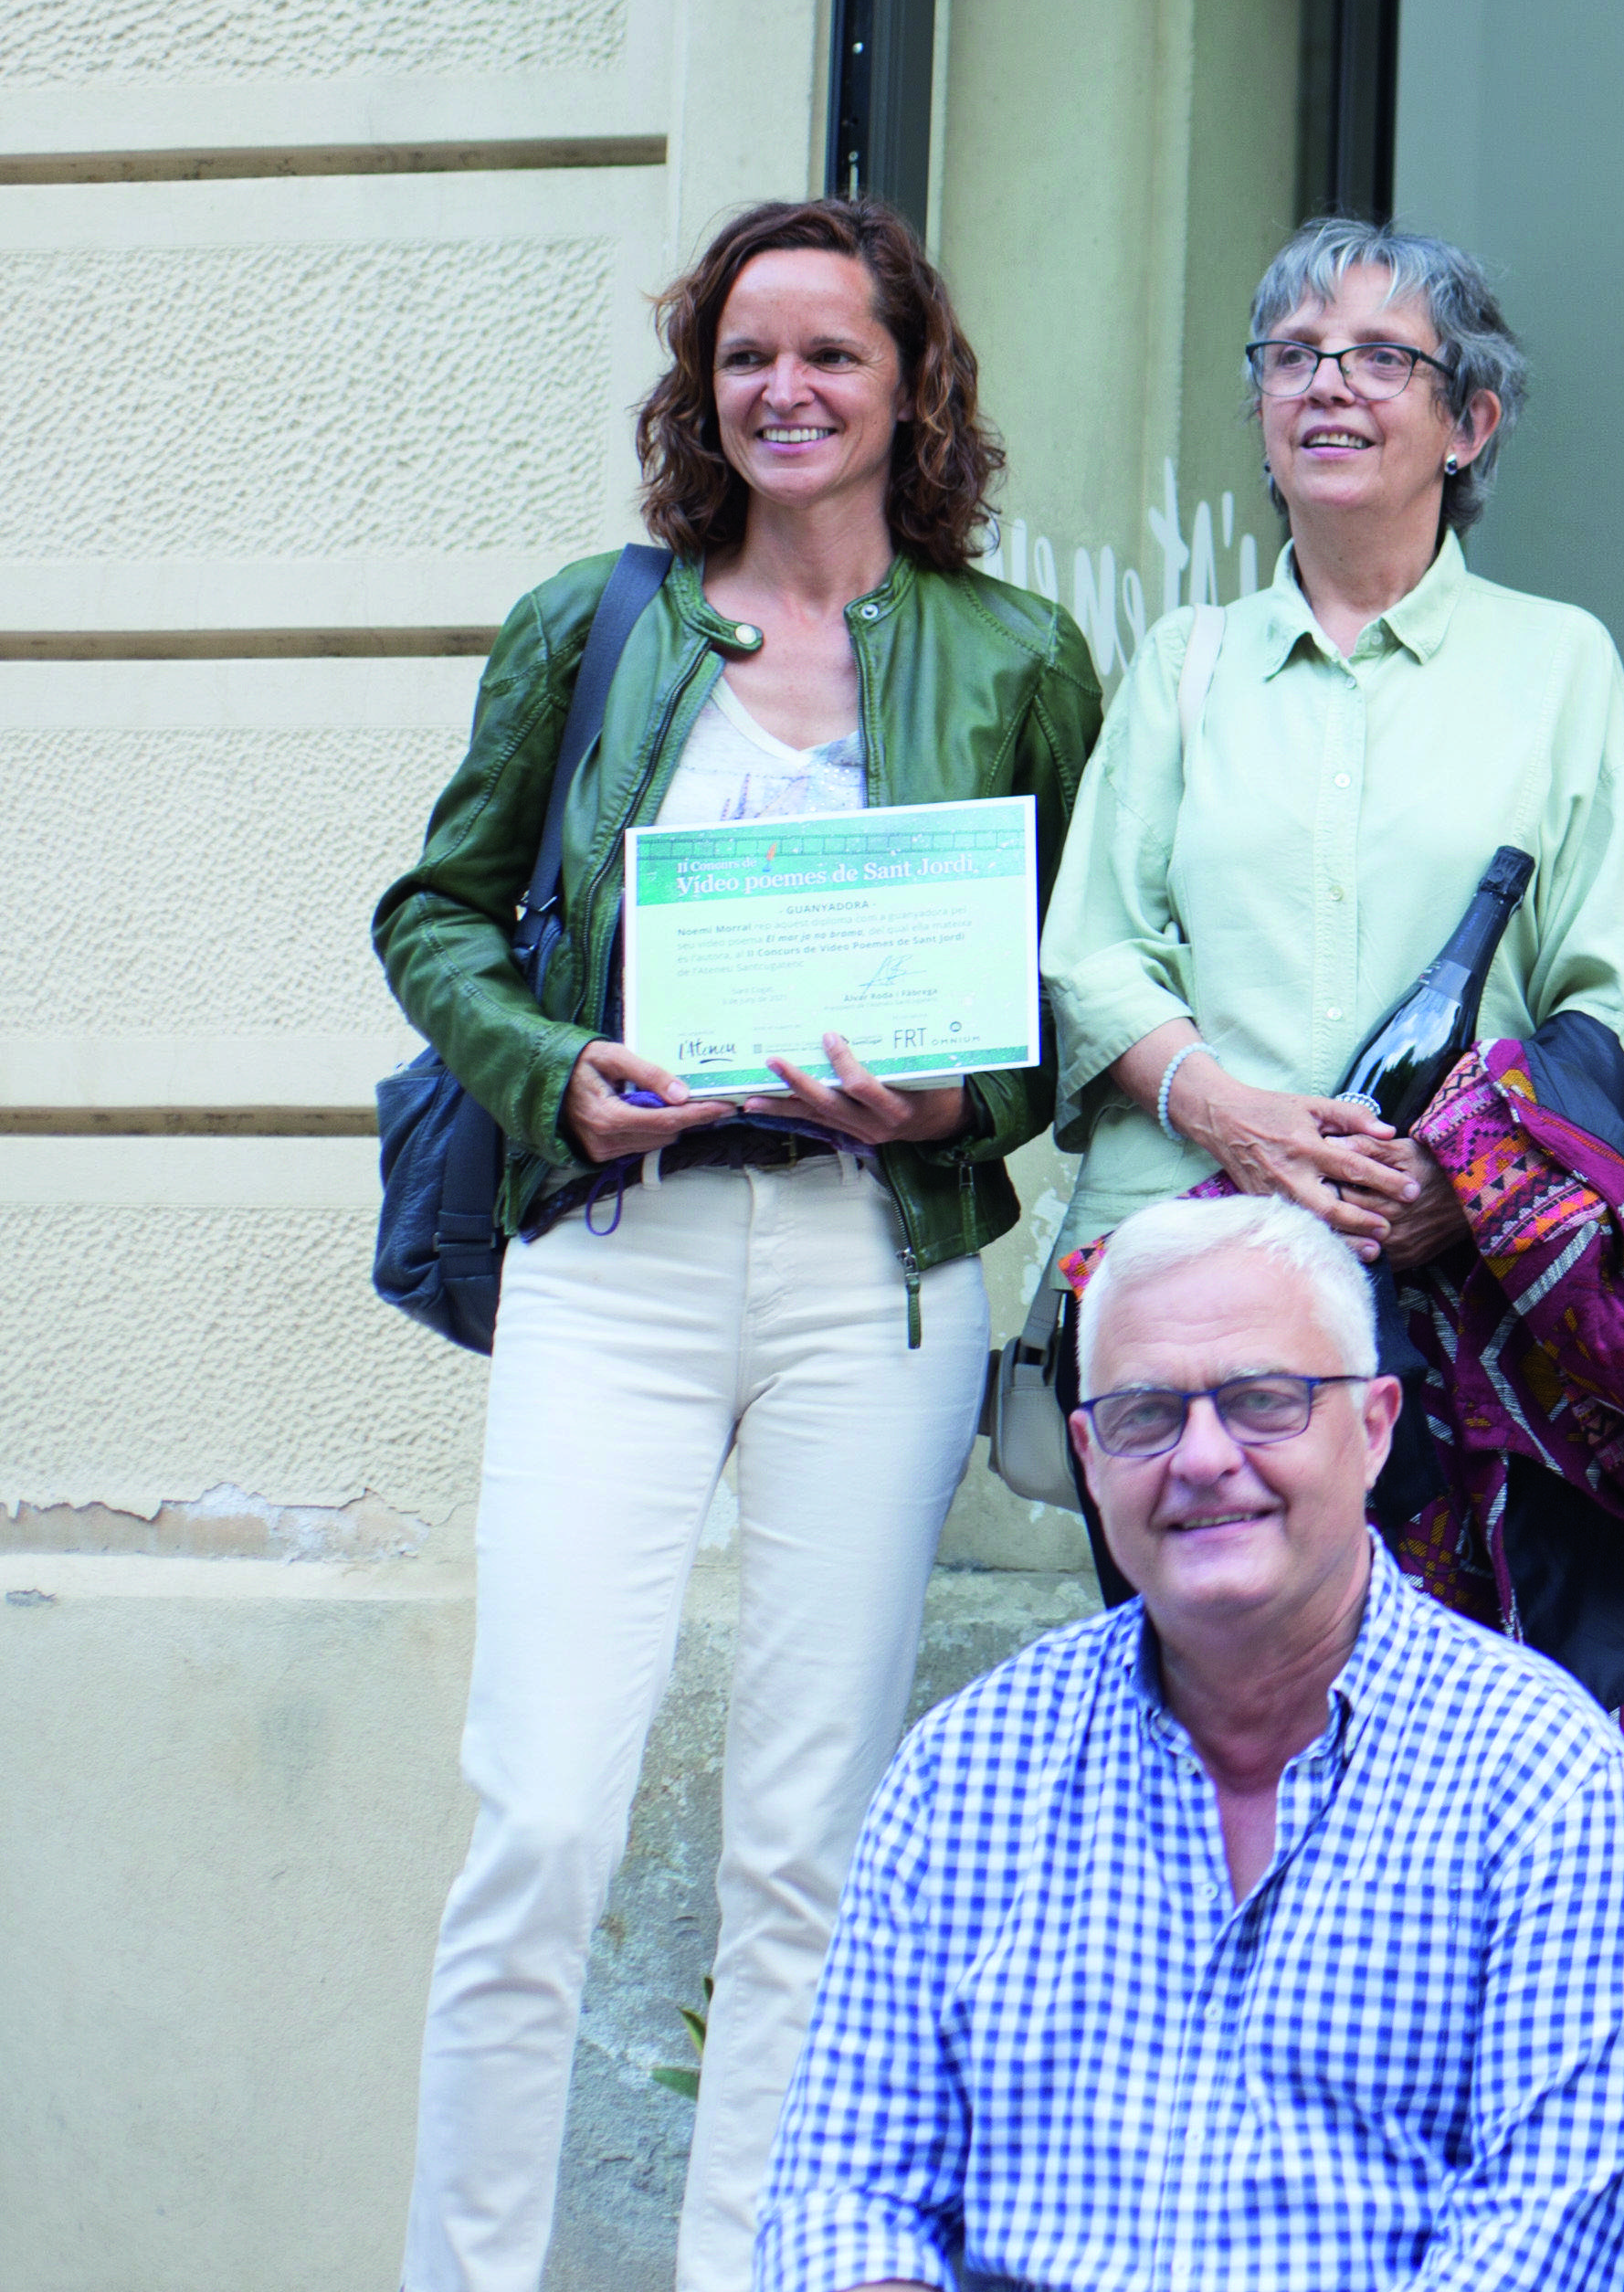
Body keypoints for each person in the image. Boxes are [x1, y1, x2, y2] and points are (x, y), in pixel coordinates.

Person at [372, 195, 1101, 2292]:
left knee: (810, 1842)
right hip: (619, 1245)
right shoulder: (592, 621)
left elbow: (1069, 988)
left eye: (829, 352)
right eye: (743, 352)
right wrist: (550, 1071)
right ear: (703, 384)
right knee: (540, 1818)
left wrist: (964, 1096)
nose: (783, 388)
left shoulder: (1018, 653)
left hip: (876, 1269)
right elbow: (431, 909)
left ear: (910, 385)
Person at [754, 1193, 1624, 2292]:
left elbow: (1543, 2248)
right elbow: (848, 2193)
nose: (1203, 1459)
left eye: (1263, 1402)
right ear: (1090, 1457)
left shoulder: (1543, 1779)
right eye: (1147, 1415)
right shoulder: (969, 1768)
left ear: (1376, 1427)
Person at [1038, 218, 1624, 1570]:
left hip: (1446, 1297)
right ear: (1264, 414)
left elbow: (1608, 997)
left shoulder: (1557, 664)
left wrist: (1468, 1185)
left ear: (1470, 420)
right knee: (1182, 1708)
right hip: (1176, 1297)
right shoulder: (1183, 664)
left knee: (1424, 1730)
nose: (1328, 386)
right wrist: (1236, 1119)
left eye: (1382, 358)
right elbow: (1090, 956)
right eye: (1295, 358)